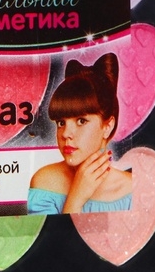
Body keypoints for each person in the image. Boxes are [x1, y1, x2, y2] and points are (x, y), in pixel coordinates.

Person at [28, 53, 132, 214]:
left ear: (108, 126)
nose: (65, 134)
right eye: (61, 122)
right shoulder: (44, 182)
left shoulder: (130, 188)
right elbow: (51, 233)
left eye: (81, 121)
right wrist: (76, 197)